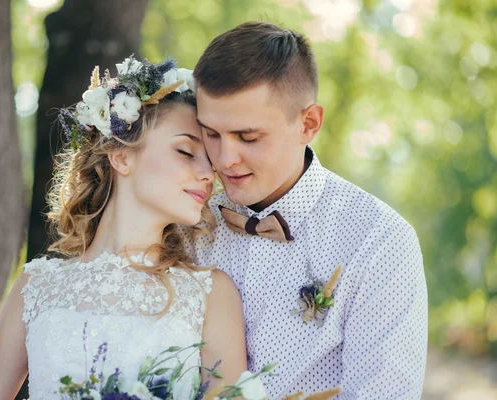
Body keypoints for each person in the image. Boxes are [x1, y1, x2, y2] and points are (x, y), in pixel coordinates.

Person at [0, 56, 247, 399]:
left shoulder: (210, 294)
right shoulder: (34, 288)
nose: (207, 173)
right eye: (186, 151)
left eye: (211, 162)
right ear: (122, 156)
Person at [179, 22, 428, 399]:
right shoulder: (183, 225)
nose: (225, 159)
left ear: (308, 123)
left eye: (248, 136)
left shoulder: (381, 242)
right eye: (211, 134)